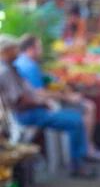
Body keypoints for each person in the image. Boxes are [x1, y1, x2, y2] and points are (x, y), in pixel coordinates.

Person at [0, 35, 95, 179]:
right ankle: (78, 165)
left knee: (74, 116)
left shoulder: (12, 67)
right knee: (76, 121)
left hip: (30, 112)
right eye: (14, 49)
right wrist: (43, 103)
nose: (17, 51)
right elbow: (21, 101)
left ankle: (79, 160)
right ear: (6, 50)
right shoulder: (6, 71)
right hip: (27, 115)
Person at [15, 34, 100, 162]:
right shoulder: (29, 66)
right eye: (39, 47)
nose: (41, 50)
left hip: (31, 110)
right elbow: (39, 94)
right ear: (31, 49)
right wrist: (66, 97)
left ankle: (85, 151)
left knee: (82, 110)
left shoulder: (21, 63)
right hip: (34, 112)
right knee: (78, 118)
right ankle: (80, 161)